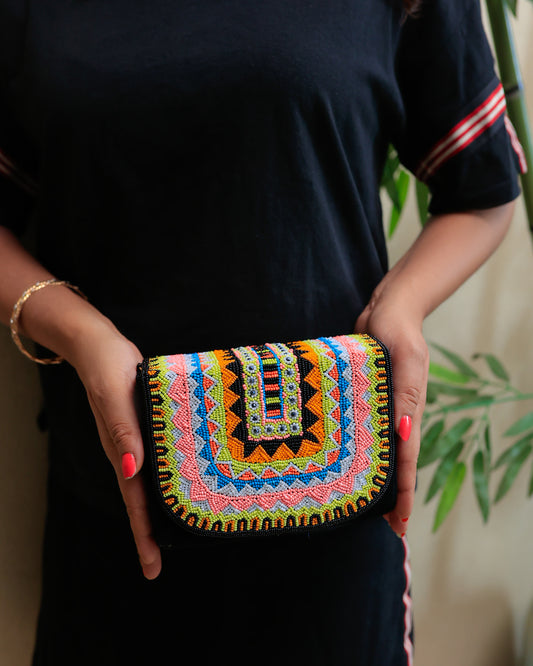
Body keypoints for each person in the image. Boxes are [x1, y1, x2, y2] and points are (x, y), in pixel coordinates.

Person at [0, 0, 526, 664]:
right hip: (115, 522)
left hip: (335, 518)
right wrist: (76, 330)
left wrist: (401, 307)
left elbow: (481, 189)